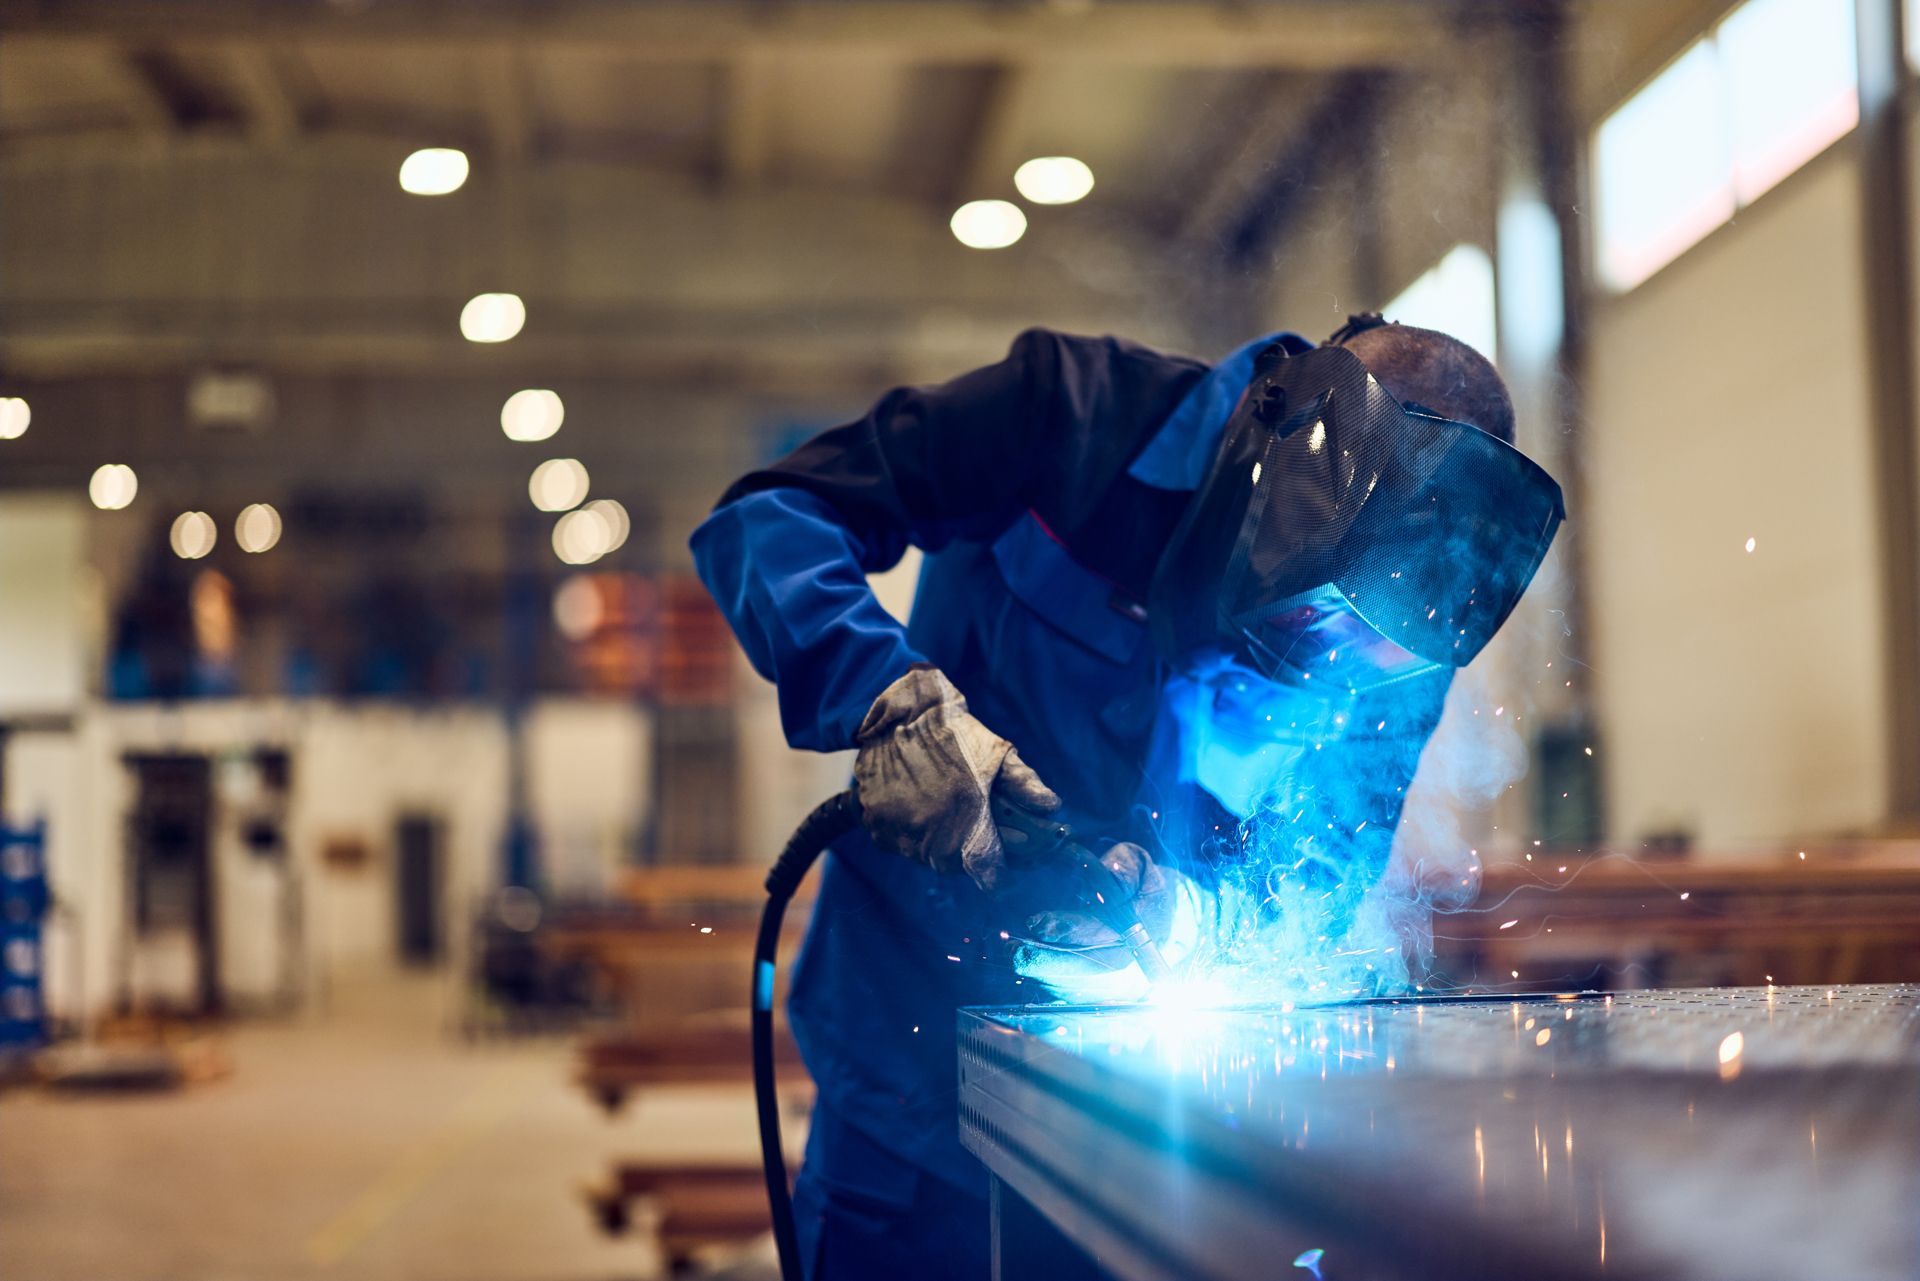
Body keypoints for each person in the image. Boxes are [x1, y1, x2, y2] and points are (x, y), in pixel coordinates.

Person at [691, 315, 1564, 1279]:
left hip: (1151, 1122)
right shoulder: (1071, 417)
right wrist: (885, 699)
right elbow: (769, 517)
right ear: (1277, 460)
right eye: (1316, 619)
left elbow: (1327, 861)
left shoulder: (1413, 619)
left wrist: (1198, 917)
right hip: (909, 1060)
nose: (1331, 664)